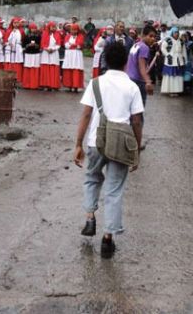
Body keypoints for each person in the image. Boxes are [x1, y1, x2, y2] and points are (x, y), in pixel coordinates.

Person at [73, 41, 144, 259]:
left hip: (96, 142)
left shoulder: (95, 83)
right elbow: (137, 121)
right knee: (114, 191)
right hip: (121, 145)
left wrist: (78, 144)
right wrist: (137, 151)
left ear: (104, 61)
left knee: (92, 179)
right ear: (125, 62)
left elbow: (86, 115)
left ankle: (90, 217)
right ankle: (107, 239)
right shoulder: (132, 87)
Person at [126, 25, 157, 110]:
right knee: (138, 110)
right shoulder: (144, 48)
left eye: (154, 37)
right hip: (138, 82)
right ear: (143, 35)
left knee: (131, 108)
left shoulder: (136, 45)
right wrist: (148, 82)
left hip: (130, 79)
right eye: (150, 36)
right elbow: (142, 67)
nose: (153, 39)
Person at [160, 27, 185, 97]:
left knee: (177, 76)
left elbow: (183, 51)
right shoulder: (168, 40)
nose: (177, 34)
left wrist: (184, 59)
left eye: (177, 32)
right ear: (172, 33)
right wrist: (167, 55)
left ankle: (177, 90)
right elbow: (163, 48)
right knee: (170, 76)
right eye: (175, 32)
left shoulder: (181, 41)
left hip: (179, 61)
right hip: (170, 60)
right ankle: (170, 91)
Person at [62, 24, 85, 92]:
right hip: (69, 54)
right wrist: (74, 45)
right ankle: (69, 86)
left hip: (77, 55)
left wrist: (72, 45)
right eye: (72, 30)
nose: (73, 31)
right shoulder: (67, 36)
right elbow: (66, 45)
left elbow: (79, 45)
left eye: (75, 30)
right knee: (69, 69)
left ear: (77, 30)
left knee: (76, 69)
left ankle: (76, 86)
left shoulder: (80, 36)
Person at [40, 21, 62, 91]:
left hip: (54, 53)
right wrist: (46, 49)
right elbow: (42, 44)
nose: (53, 28)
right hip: (46, 53)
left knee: (53, 68)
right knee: (46, 68)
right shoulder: (44, 34)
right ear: (49, 27)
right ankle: (45, 84)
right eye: (52, 27)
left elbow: (58, 44)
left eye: (54, 27)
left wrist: (53, 49)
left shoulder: (57, 34)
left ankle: (53, 85)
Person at [4, 17, 25, 85]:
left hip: (18, 48)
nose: (16, 24)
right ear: (12, 23)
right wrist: (9, 43)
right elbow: (5, 40)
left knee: (17, 62)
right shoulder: (9, 30)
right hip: (10, 48)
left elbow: (23, 39)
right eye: (14, 23)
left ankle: (17, 78)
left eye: (17, 23)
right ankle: (9, 78)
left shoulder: (21, 31)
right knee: (10, 62)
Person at [22, 23, 42, 90]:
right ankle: (27, 84)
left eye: (35, 28)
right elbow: (23, 46)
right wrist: (28, 45)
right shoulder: (26, 36)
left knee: (35, 69)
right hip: (28, 54)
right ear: (30, 29)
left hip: (36, 54)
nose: (34, 30)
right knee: (28, 68)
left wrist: (36, 45)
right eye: (32, 28)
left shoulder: (39, 37)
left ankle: (35, 84)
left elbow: (40, 45)